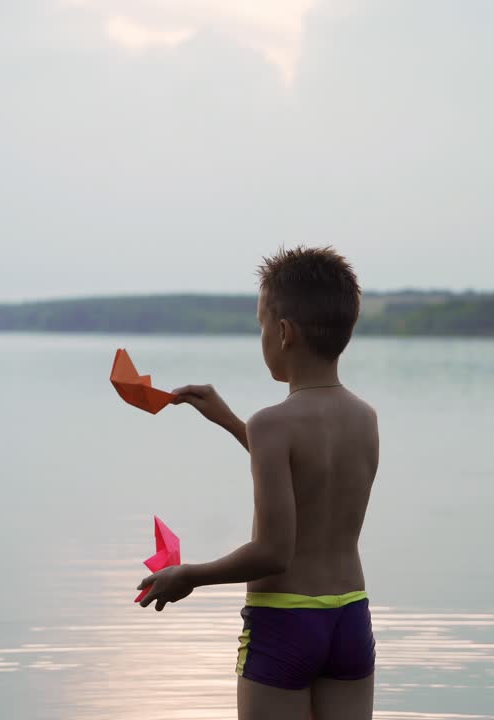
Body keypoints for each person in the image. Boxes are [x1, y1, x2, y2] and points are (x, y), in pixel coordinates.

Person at [137, 246, 379, 719]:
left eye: (261, 324)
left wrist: (188, 576)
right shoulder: (364, 418)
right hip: (350, 616)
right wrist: (230, 422)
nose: (262, 336)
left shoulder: (273, 424)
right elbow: (309, 472)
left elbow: (273, 552)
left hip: (285, 621)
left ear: (283, 332)